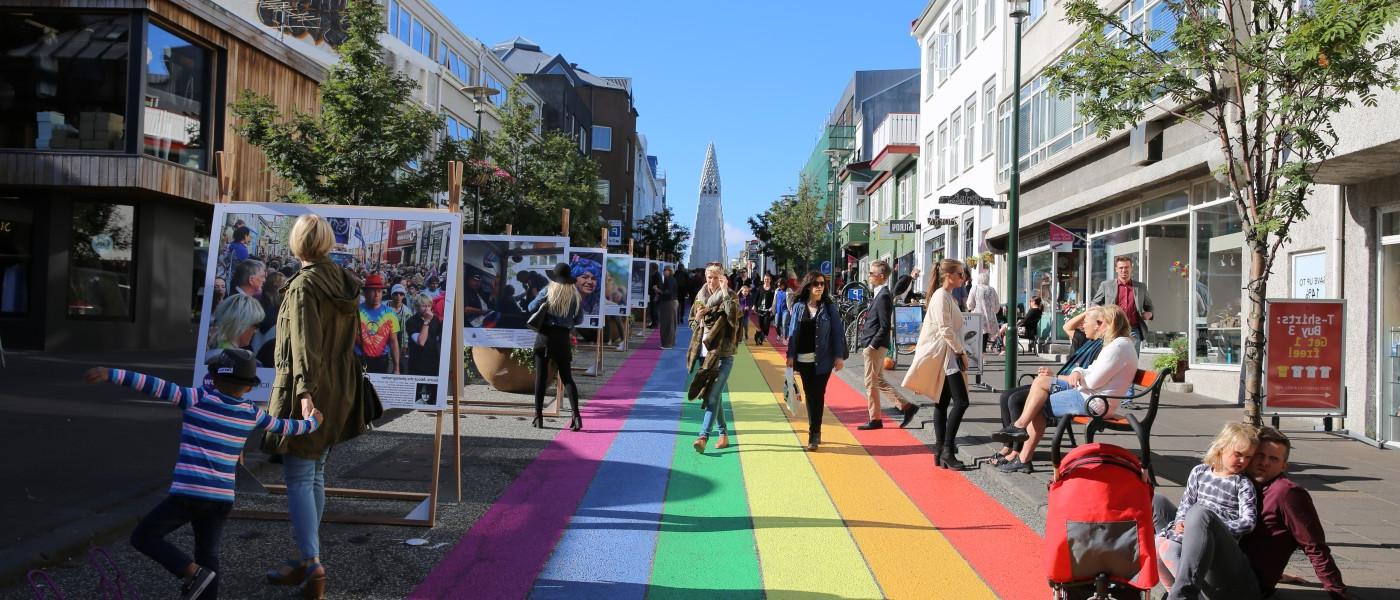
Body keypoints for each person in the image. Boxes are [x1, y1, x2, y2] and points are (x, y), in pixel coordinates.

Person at [85, 349, 321, 600]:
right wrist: (314, 421)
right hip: (221, 500)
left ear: (214, 379)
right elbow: (287, 427)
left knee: (144, 536)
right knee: (208, 555)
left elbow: (151, 384)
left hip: (188, 494)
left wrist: (109, 373)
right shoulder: (252, 413)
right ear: (250, 388)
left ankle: (190, 572)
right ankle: (202, 582)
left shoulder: (194, 398)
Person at [263, 214, 375, 599]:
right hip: (339, 383)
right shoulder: (345, 281)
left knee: (298, 474)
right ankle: (306, 559)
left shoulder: (305, 286)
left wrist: (305, 394)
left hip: (308, 386)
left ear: (296, 243)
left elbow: (304, 345)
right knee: (316, 473)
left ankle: (312, 565)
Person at [1152, 428, 1349, 599]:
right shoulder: (1241, 479)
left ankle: (1182, 595)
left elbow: (1315, 547)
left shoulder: (1287, 493)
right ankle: (1138, 572)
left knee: (1200, 514)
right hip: (1218, 562)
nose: (1264, 463)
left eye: (1273, 459)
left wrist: (1338, 593)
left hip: (1242, 586)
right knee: (1157, 502)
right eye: (1259, 456)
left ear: (1283, 466)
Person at [993, 304, 1138, 473]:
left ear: (1104, 323)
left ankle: (1022, 445)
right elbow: (1091, 370)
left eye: (1091, 322)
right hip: (1092, 396)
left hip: (1094, 401)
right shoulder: (1119, 344)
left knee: (1038, 404)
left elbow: (1092, 381)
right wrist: (1078, 371)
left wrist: (1078, 374)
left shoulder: (1117, 347)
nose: (1085, 326)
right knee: (1040, 383)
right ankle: (1019, 432)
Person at [1155, 422, 1260, 599]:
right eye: (1238, 454)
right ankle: (1173, 590)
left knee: (1169, 548)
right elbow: (1186, 502)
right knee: (1156, 543)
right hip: (1189, 529)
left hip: (1215, 540)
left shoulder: (1242, 483)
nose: (1243, 461)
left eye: (1249, 457)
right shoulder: (1200, 472)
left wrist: (1215, 526)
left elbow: (1248, 522)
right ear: (1221, 447)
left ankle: (1190, 594)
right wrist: (1180, 521)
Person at [902, 259, 971, 469]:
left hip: (947, 356)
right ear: (949, 275)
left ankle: (941, 450)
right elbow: (945, 329)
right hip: (948, 356)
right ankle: (947, 449)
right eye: (960, 274)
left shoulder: (945, 296)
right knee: (961, 402)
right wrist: (961, 352)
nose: (963, 277)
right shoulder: (942, 296)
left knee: (942, 403)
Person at [785, 272, 847, 451]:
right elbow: (793, 333)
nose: (820, 287)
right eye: (816, 284)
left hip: (823, 360)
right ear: (808, 286)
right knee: (809, 393)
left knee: (816, 395)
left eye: (822, 284)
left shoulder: (829, 307)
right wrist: (790, 355)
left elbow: (837, 333)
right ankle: (815, 432)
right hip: (803, 360)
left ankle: (814, 434)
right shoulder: (798, 306)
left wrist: (838, 356)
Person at [856, 260, 918, 430]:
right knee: (878, 380)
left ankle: (875, 419)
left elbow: (884, 325)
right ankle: (907, 407)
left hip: (875, 346)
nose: (868, 276)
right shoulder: (880, 293)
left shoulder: (883, 295)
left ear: (880, 276)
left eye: (871, 273)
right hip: (874, 344)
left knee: (870, 382)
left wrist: (871, 346)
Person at [686, 264, 740, 453]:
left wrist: (725, 292)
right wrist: (698, 318)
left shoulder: (731, 295)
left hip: (724, 354)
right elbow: (692, 324)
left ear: (723, 278)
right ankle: (723, 434)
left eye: (716, 277)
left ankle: (703, 436)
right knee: (714, 396)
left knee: (712, 395)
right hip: (704, 354)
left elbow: (733, 319)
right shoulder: (700, 297)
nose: (712, 281)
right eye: (709, 277)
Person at [528, 263, 585, 430]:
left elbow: (531, 307)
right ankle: (576, 416)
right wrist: (567, 322)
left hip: (544, 337)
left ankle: (538, 417)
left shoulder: (547, 291)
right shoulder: (575, 295)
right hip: (562, 338)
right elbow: (579, 319)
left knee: (541, 378)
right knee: (567, 378)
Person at [1092, 255, 1154, 350]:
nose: (1124, 270)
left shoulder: (1141, 287)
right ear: (1116, 269)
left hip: (1133, 330)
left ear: (1131, 268)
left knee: (1132, 360)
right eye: (1121, 268)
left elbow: (1149, 307)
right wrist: (1102, 316)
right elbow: (1095, 303)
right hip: (1112, 329)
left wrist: (1149, 313)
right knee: (1112, 358)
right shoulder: (1106, 285)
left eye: (1126, 267)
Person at [355, 274, 400, 375]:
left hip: (381, 361)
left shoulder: (390, 314)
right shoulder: (355, 312)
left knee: (378, 391)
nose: (376, 294)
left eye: (379, 291)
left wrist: (396, 367)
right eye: (372, 290)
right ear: (365, 292)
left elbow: (393, 342)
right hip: (359, 360)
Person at [404, 296, 442, 376]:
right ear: (417, 307)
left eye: (429, 306)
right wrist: (427, 321)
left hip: (433, 363)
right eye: (424, 306)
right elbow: (421, 342)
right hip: (417, 364)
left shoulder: (435, 320)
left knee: (432, 388)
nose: (427, 309)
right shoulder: (411, 322)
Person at [965, 271, 1000, 352]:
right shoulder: (992, 289)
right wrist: (993, 311)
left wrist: (971, 308)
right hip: (990, 317)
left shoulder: (975, 288)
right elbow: (997, 305)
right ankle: (982, 355)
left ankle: (979, 356)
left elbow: (970, 304)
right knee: (984, 337)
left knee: (976, 337)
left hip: (977, 316)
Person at [656, 265, 679, 349]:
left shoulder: (670, 279)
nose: (663, 272)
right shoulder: (671, 279)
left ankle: (667, 343)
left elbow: (668, 292)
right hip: (671, 302)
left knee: (667, 324)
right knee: (670, 323)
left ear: (669, 271)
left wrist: (658, 290)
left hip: (669, 303)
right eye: (663, 270)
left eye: (665, 270)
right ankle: (670, 342)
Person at [755, 274, 775, 345]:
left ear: (770, 280)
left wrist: (772, 307)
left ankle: (765, 336)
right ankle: (761, 335)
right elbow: (756, 297)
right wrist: (754, 305)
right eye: (765, 279)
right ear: (763, 279)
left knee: (766, 324)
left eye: (768, 279)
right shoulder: (760, 287)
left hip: (768, 309)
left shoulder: (772, 289)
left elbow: (774, 300)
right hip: (760, 308)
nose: (766, 280)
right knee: (761, 324)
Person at [773, 278, 790, 345]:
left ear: (784, 284)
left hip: (785, 310)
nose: (779, 286)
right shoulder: (777, 290)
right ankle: (779, 334)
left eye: (780, 285)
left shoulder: (788, 291)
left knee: (784, 324)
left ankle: (785, 339)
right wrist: (772, 308)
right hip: (778, 310)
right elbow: (774, 301)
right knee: (776, 324)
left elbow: (792, 300)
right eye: (778, 285)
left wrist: (791, 310)